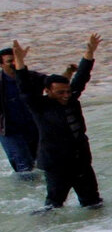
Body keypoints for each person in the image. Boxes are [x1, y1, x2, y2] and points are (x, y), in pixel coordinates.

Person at [11, 34, 104, 209]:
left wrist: (89, 52)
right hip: (56, 163)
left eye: (67, 91)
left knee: (93, 202)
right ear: (48, 91)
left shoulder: (72, 99)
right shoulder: (39, 105)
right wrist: (19, 61)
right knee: (53, 205)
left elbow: (82, 76)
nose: (66, 96)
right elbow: (23, 87)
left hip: (81, 160)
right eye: (60, 92)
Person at [0, 46, 42, 179]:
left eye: (17, 59)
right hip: (10, 132)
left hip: (34, 128)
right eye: (10, 61)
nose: (14, 63)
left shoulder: (32, 77)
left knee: (41, 164)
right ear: (1, 65)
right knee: (25, 169)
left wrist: (69, 71)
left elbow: (55, 84)